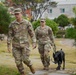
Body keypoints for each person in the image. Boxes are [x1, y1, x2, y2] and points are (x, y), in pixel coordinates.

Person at [7, 8, 36, 75]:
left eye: (18, 14)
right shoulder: (12, 24)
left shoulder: (27, 23)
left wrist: (34, 42)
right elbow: (10, 35)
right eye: (15, 14)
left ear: (21, 14)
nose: (17, 15)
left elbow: (32, 34)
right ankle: (22, 73)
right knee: (18, 62)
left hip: (25, 45)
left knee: (25, 59)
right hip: (15, 46)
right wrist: (8, 45)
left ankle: (30, 65)